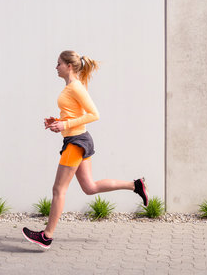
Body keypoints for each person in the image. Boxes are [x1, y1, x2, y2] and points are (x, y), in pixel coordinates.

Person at [22, 50, 148, 249]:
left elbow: (94, 114)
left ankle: (46, 236)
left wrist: (65, 125)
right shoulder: (70, 87)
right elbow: (74, 114)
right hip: (76, 139)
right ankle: (135, 185)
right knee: (89, 187)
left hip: (76, 142)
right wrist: (58, 121)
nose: (56, 67)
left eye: (58, 64)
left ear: (68, 66)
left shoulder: (76, 87)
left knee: (58, 190)